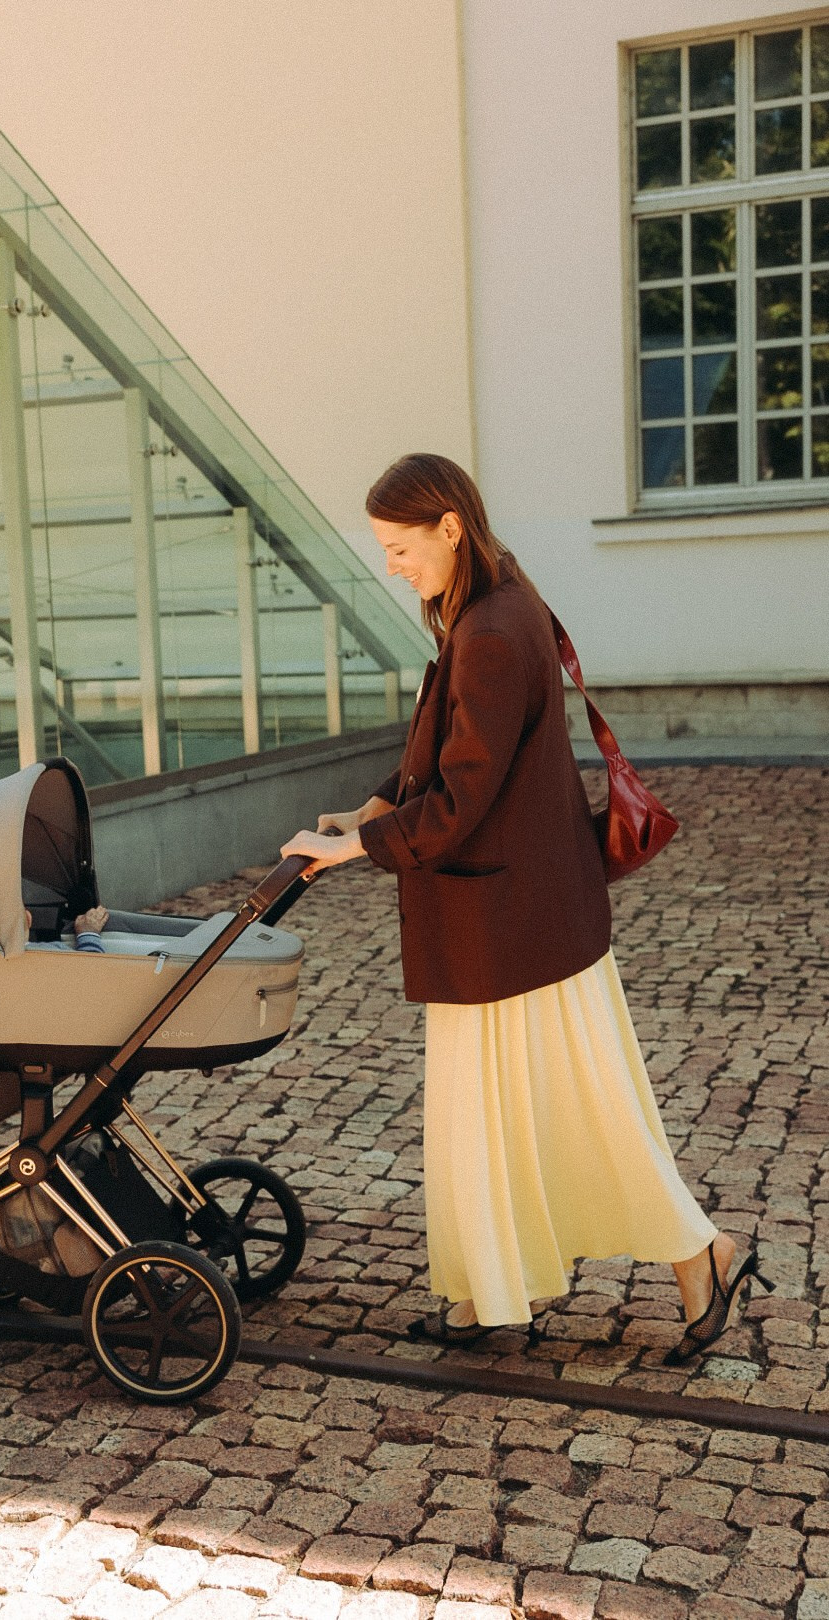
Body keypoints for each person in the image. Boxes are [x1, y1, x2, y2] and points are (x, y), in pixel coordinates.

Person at [280, 453, 772, 1364]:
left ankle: (703, 1252)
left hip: (509, 922)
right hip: (521, 915)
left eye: (398, 547)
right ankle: (484, 1297)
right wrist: (374, 807)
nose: (391, 564)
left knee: (576, 1112)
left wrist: (358, 847)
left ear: (449, 527)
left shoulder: (492, 631)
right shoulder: (495, 604)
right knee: (500, 1114)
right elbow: (450, 750)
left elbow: (464, 798)